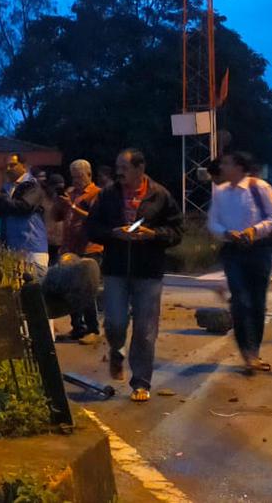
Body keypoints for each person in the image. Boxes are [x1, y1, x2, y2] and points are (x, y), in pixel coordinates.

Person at [87, 148, 183, 402]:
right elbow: (92, 227)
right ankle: (116, 350)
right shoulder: (108, 195)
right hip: (116, 269)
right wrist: (112, 233)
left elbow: (176, 230)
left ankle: (141, 382)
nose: (119, 172)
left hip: (148, 271)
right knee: (115, 322)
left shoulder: (159, 195)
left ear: (140, 169)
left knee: (145, 329)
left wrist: (154, 235)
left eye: (125, 167)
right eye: (117, 166)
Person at [207, 152, 272, 374]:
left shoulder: (259, 187)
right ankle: (246, 352)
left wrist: (255, 230)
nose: (222, 167)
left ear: (240, 167)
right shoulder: (220, 192)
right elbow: (213, 222)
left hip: (259, 250)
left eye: (227, 163)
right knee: (240, 301)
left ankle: (254, 352)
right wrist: (226, 233)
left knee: (257, 302)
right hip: (233, 250)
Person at [58, 159, 103, 344]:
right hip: (70, 247)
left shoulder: (96, 193)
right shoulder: (71, 193)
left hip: (89, 248)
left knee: (87, 289)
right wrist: (60, 204)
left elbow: (95, 218)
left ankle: (93, 329)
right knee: (70, 288)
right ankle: (77, 326)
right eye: (73, 177)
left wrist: (73, 207)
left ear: (89, 175)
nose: (76, 180)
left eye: (79, 176)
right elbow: (58, 216)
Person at [0, 153, 48, 273]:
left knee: (36, 285)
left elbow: (23, 207)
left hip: (32, 247)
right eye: (6, 166)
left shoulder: (32, 186)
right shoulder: (6, 188)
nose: (8, 169)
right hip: (12, 247)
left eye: (12, 165)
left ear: (24, 166)